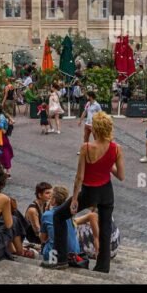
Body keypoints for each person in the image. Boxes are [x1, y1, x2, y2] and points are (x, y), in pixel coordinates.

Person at [43, 112, 125, 273]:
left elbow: (79, 177)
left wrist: (74, 198)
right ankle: (103, 267)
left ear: (96, 129)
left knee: (59, 215)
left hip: (89, 191)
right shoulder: (116, 148)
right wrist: (107, 163)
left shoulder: (86, 147)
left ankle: (61, 260)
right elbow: (121, 176)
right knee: (105, 227)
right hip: (107, 192)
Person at [40, 186, 81, 262]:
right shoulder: (69, 213)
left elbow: (43, 239)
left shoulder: (47, 215)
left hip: (55, 255)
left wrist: (46, 212)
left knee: (45, 245)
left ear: (54, 200)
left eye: (51, 197)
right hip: (74, 253)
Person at [25, 181, 53, 246]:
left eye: (51, 193)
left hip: (42, 236)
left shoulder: (45, 204)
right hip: (33, 239)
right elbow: (37, 231)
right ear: (40, 195)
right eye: (47, 193)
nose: (50, 195)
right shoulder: (33, 210)